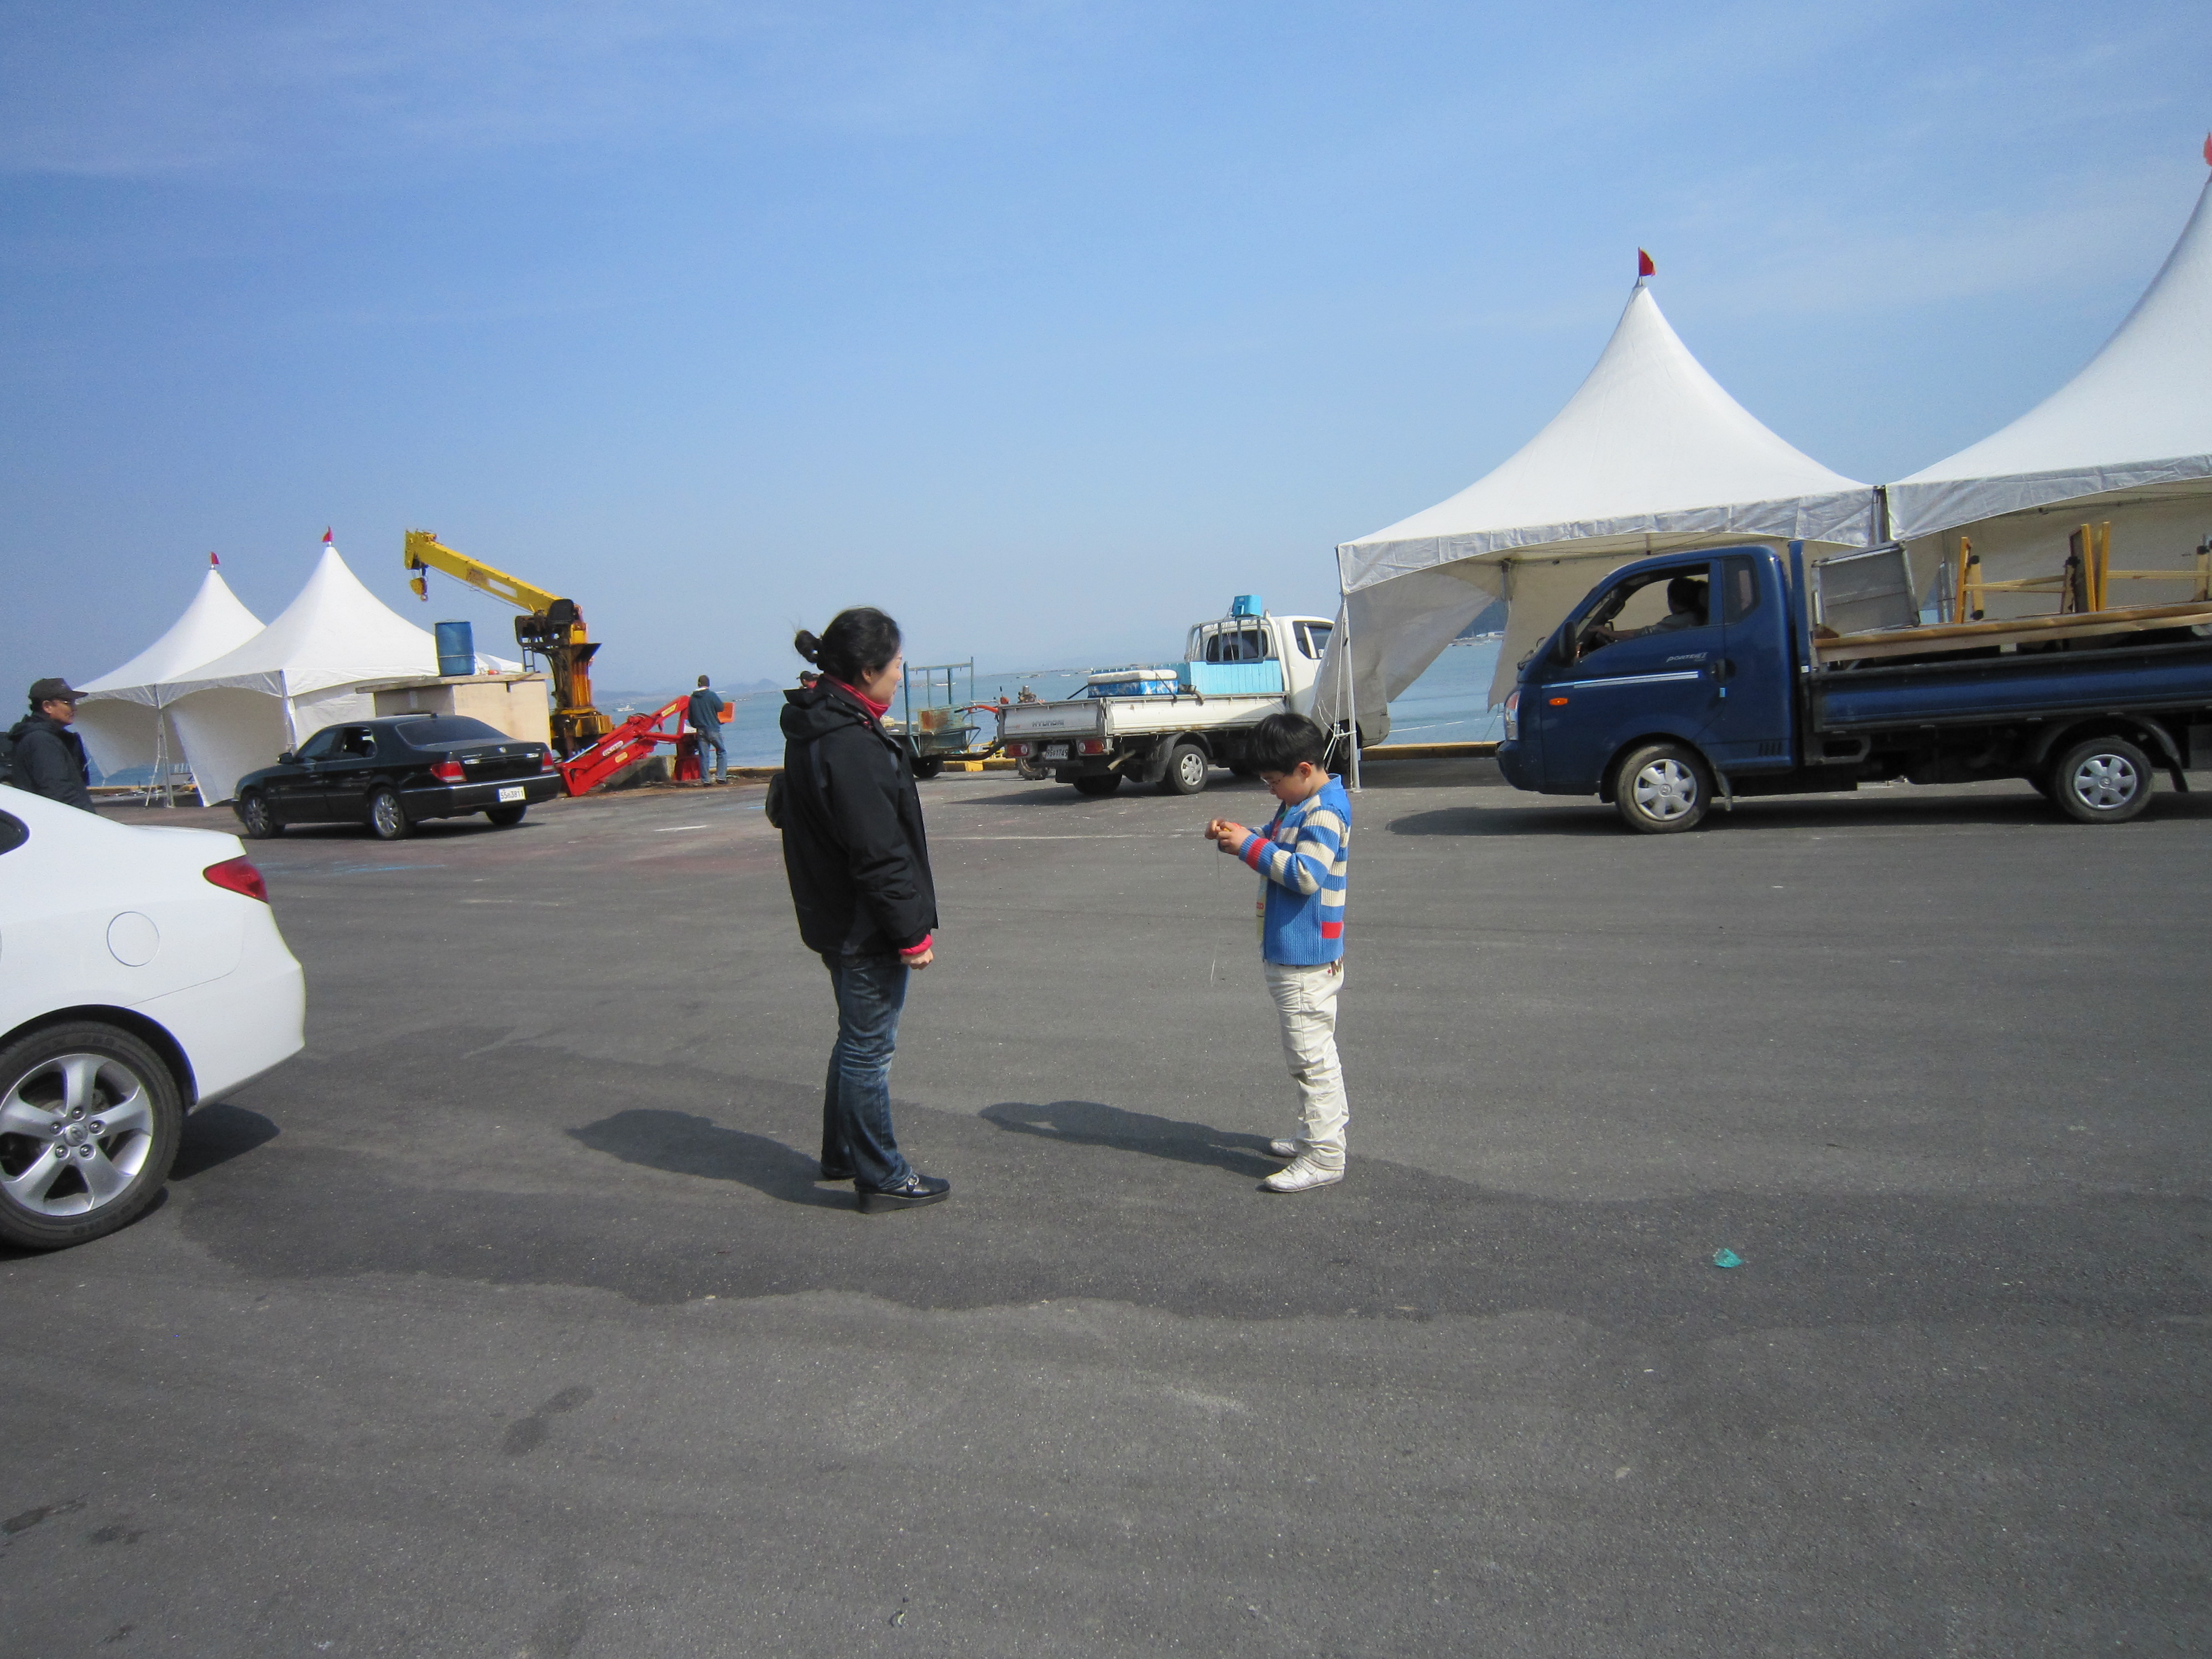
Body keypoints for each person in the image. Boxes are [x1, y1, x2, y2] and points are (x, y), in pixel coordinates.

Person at [778, 608, 951, 1213]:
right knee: (869, 1050)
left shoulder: (816, 723)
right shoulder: (850, 742)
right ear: (868, 669)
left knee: (855, 1039)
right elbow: (878, 851)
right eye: (897, 664)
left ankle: (843, 1153)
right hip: (861, 923)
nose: (901, 674)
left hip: (832, 912)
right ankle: (880, 1174)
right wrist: (910, 933)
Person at [1202, 712, 1352, 1193]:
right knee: (1313, 1053)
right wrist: (1237, 834)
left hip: (1307, 958)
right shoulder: (1299, 804)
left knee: (1310, 1059)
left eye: (1273, 781)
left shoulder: (1323, 812)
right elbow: (1271, 838)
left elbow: (1305, 874)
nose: (1271, 791)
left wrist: (1249, 846)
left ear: (1304, 769)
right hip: (1296, 953)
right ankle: (1316, 1134)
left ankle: (1324, 1156)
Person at [7, 679, 96, 812]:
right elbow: (58, 791)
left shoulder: (46, 737)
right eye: (67, 702)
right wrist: (88, 819)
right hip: (62, 819)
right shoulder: (42, 740)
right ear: (47, 706)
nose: (74, 708)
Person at [687, 675, 726, 785]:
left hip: (700, 729)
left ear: (698, 684)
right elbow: (721, 708)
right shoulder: (711, 695)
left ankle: (706, 780)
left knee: (704, 756)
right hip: (713, 728)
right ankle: (721, 777)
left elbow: (690, 716)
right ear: (708, 684)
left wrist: (695, 726)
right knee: (722, 751)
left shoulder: (693, 698)